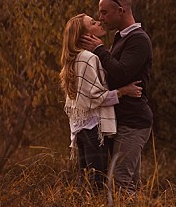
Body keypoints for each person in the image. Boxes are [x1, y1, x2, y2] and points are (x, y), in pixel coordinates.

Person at [80, 0, 153, 192]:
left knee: (121, 181)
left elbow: (121, 73)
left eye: (105, 13)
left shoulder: (138, 39)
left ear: (121, 11)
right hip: (121, 120)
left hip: (133, 121)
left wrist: (100, 50)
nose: (101, 18)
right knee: (130, 182)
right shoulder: (121, 37)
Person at [60, 13, 143, 189]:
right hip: (93, 129)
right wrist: (123, 91)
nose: (99, 22)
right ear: (85, 35)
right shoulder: (88, 58)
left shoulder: (74, 58)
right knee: (97, 182)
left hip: (80, 129)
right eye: (93, 23)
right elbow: (95, 98)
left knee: (86, 181)